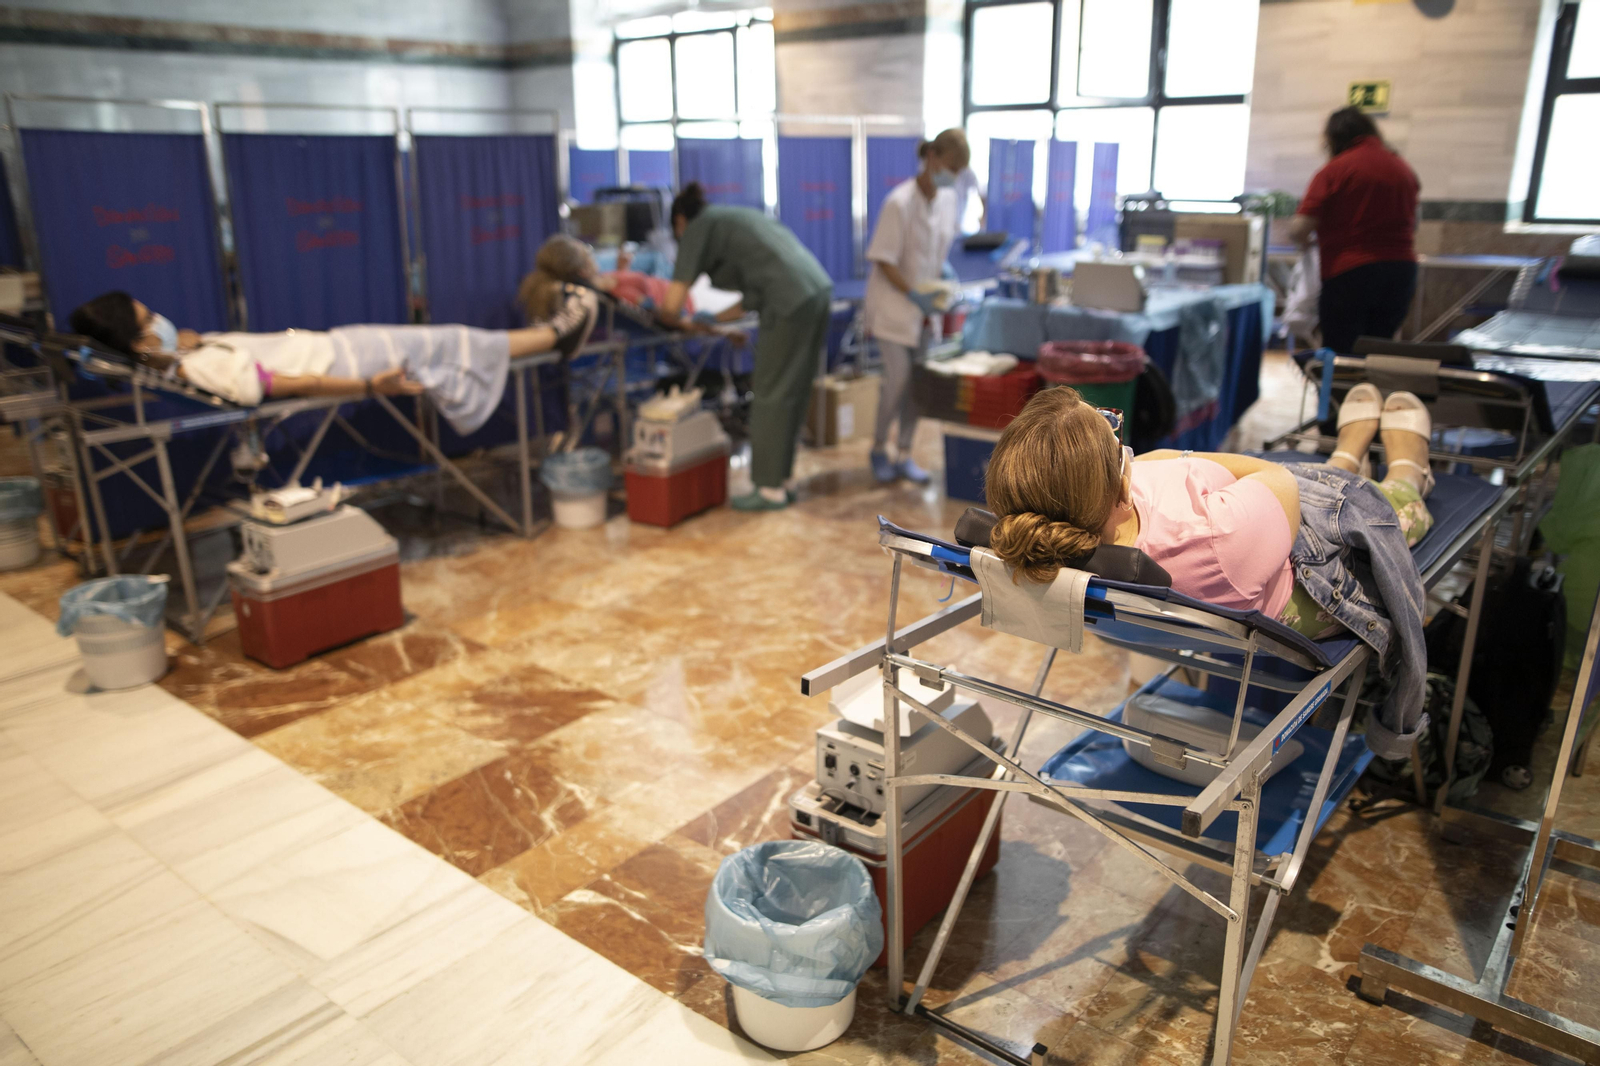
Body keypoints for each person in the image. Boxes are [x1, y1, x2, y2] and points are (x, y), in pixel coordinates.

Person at [982, 384, 1439, 758]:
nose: (1120, 436)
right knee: (1368, 504)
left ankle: (1345, 453)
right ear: (1117, 493)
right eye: (1111, 431)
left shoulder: (1051, 544)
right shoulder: (1211, 541)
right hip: (1297, 563)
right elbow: (1276, 477)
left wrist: (1158, 468)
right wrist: (1189, 461)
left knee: (1316, 480)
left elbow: (1148, 473)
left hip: (1247, 531)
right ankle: (1408, 472)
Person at [69, 245, 588, 436]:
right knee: (454, 342)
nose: (160, 319)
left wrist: (191, 341)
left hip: (337, 345)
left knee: (452, 343)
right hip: (344, 359)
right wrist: (367, 387)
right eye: (148, 319)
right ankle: (553, 336)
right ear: (138, 344)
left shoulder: (184, 357)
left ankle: (552, 337)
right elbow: (288, 386)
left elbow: (239, 359)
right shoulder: (195, 370)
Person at [656, 182, 833, 512]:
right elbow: (752, 294)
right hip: (815, 291)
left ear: (680, 221)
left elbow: (671, 304)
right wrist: (714, 320)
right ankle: (782, 480)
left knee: (769, 393)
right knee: (792, 391)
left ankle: (768, 488)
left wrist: (671, 317)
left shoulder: (698, 227)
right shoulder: (734, 217)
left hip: (787, 302)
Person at [863, 128, 967, 484]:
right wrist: (914, 294)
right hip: (893, 308)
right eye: (951, 166)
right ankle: (878, 448)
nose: (953, 176)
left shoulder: (947, 201)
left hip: (925, 312)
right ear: (933, 158)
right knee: (898, 380)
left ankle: (905, 452)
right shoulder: (898, 202)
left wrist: (942, 281)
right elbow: (884, 259)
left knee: (919, 384)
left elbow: (938, 252)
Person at [1288, 106, 1421, 355]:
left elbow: (1300, 227)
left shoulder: (1336, 170)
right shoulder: (1403, 169)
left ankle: (1340, 395)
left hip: (1350, 273)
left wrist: (1302, 241)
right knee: (1377, 351)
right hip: (1401, 273)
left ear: (1333, 138)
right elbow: (1414, 224)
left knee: (1342, 356)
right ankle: (1372, 394)